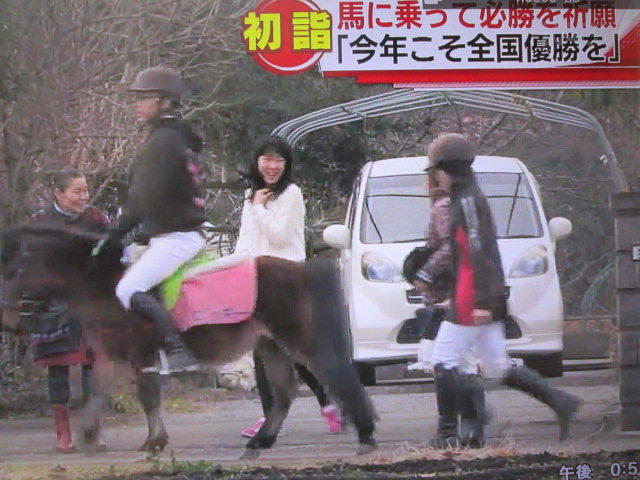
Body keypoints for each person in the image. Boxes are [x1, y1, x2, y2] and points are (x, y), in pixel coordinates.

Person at [414, 133, 580, 448]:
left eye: (438, 170)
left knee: (443, 359)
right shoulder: (468, 197)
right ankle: (560, 401)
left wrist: (481, 302)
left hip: (472, 294)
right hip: (481, 292)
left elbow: (478, 252)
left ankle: (447, 434)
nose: (437, 177)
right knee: (496, 365)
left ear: (447, 170)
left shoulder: (466, 201)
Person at [234, 138, 341, 438]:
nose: (272, 166)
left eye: (278, 160)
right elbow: (246, 239)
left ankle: (329, 403)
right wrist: (237, 270)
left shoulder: (291, 194)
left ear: (286, 165)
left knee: (294, 349)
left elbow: (280, 237)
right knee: (262, 348)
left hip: (286, 280)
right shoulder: (251, 196)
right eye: (266, 159)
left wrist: (259, 208)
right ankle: (271, 417)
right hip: (257, 280)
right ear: (257, 161)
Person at [111, 66, 205, 375]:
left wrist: (117, 232)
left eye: (145, 98)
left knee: (127, 289)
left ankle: (178, 351)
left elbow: (142, 196)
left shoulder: (163, 141)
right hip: (170, 232)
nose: (138, 105)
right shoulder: (174, 138)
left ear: (165, 101)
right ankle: (155, 353)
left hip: (175, 237)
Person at [22, 168, 109, 453]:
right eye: (76, 191)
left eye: (85, 191)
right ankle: (63, 433)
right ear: (58, 194)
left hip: (90, 299)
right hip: (53, 301)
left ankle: (92, 428)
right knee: (57, 365)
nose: (83, 197)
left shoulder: (97, 219)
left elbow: (110, 251)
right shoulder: (40, 221)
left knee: (92, 365)